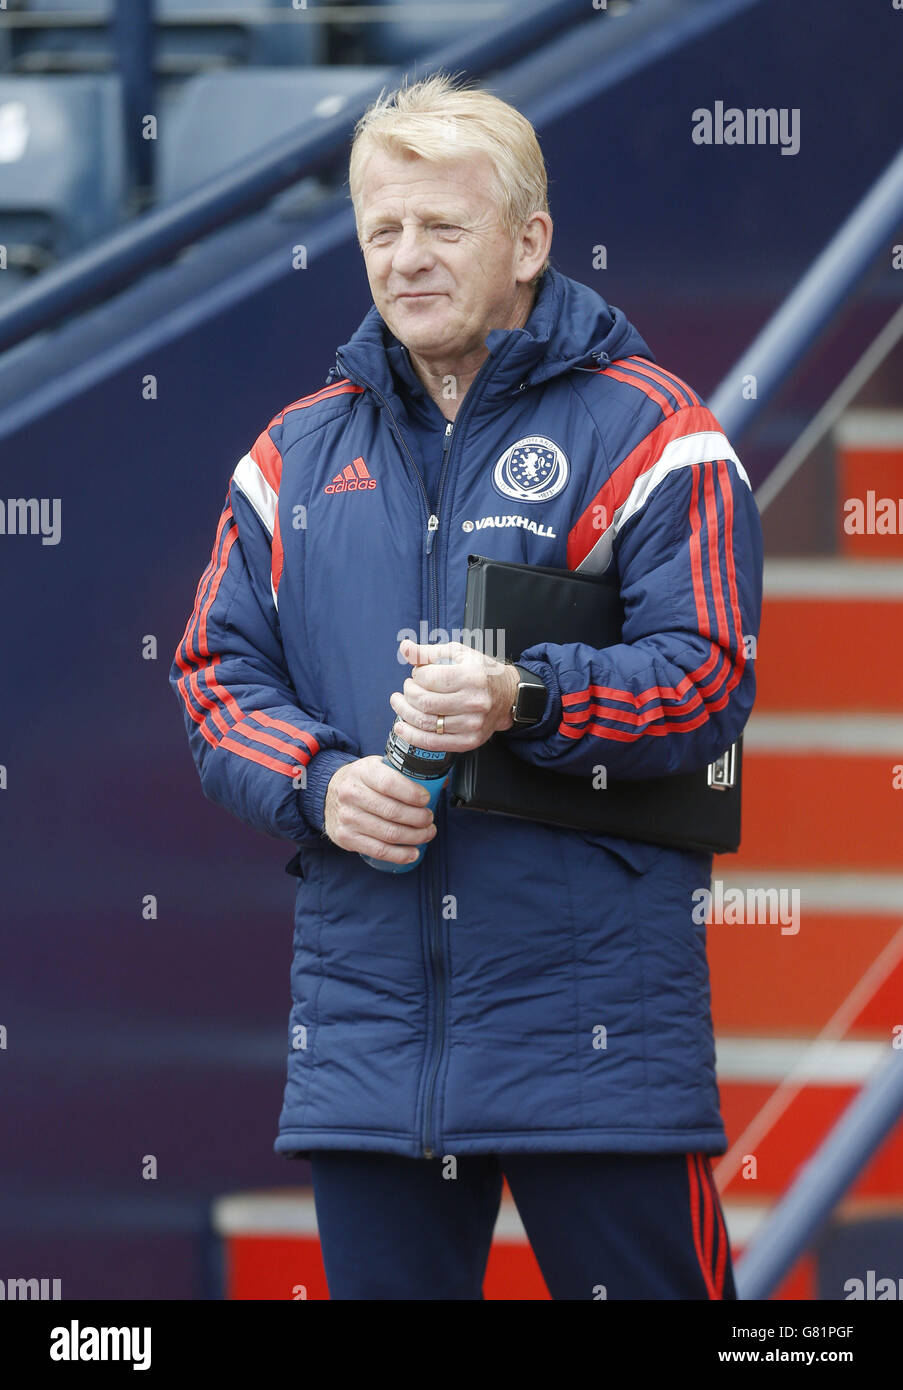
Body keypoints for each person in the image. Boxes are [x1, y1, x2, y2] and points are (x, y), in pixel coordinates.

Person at [170, 72, 763, 1300]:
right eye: (383, 230)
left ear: (529, 240)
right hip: (370, 1052)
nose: (407, 258)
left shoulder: (659, 433)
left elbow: (707, 677)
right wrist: (320, 783)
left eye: (445, 227)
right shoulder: (294, 451)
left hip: (598, 1046)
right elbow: (214, 676)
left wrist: (525, 699)